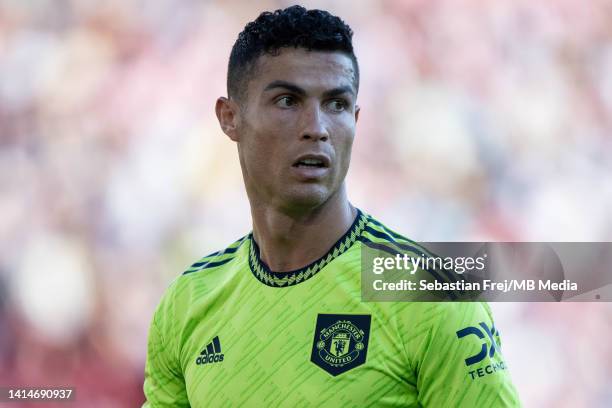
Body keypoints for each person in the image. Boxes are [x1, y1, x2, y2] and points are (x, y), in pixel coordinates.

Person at [142, 5, 520, 407]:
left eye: (337, 104)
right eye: (288, 101)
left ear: (356, 119)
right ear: (230, 117)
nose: (317, 128)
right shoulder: (188, 302)